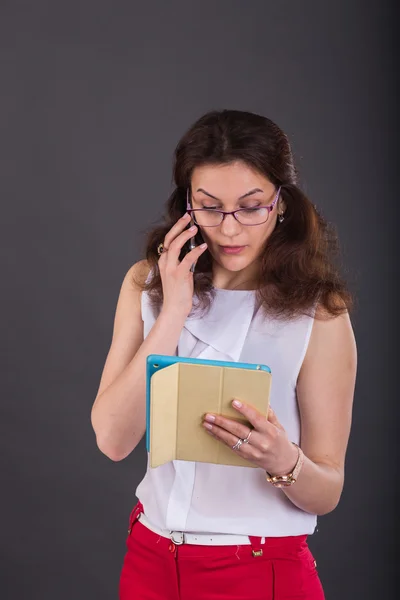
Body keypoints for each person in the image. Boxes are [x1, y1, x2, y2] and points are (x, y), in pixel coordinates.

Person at [91, 109, 357, 600]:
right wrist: (172, 313)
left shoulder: (319, 314)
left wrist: (284, 460)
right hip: (152, 560)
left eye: (251, 206)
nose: (230, 229)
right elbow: (112, 439)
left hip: (261, 568)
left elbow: (328, 490)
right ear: (186, 205)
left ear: (281, 204)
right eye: (208, 206)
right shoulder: (144, 285)